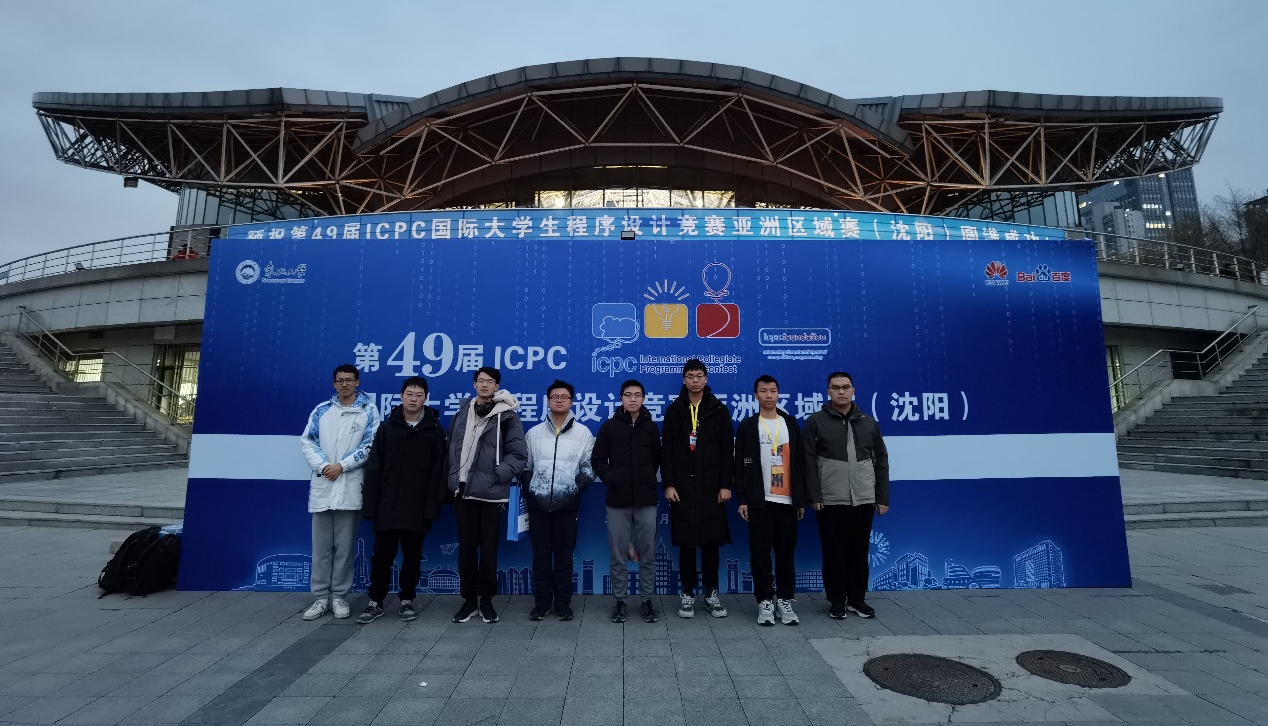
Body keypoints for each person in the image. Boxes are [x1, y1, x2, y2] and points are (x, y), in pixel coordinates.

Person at [356, 377, 448, 625]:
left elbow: (438, 472)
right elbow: (374, 468)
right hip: (387, 505)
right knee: (381, 557)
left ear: (425, 398)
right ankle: (375, 601)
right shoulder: (387, 428)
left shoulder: (434, 430)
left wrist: (432, 506)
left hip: (416, 507)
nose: (413, 399)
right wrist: (371, 505)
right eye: (409, 394)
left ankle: (407, 599)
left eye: (418, 395)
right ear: (401, 396)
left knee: (412, 557)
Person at [803, 371, 890, 620]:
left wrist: (882, 497)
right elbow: (807, 461)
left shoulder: (869, 423)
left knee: (859, 551)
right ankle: (837, 601)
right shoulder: (816, 422)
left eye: (845, 387)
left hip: (863, 498)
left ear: (853, 390)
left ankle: (857, 600)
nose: (841, 391)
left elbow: (881, 461)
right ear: (828, 392)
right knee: (833, 552)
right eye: (835, 387)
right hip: (830, 499)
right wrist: (814, 495)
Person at [446, 366, 528, 624]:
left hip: (491, 494)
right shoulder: (463, 411)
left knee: (489, 550)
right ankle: (469, 600)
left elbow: (519, 454)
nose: (484, 385)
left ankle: (487, 600)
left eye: (489, 382)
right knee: (467, 549)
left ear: (496, 386)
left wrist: (498, 475)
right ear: (474, 385)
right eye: (480, 381)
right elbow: (450, 445)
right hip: (463, 491)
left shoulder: (507, 415)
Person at [299, 363, 379, 621]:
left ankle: (339, 597)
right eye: (340, 380)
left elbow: (370, 444)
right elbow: (308, 441)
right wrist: (325, 466)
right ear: (334, 383)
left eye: (349, 380)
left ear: (357, 382)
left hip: (349, 486)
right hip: (324, 484)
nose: (345, 384)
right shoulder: (322, 410)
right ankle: (320, 598)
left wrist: (342, 466)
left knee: (344, 548)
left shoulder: (368, 410)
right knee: (321, 548)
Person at [661, 359, 733, 619]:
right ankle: (688, 594)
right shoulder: (674, 410)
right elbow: (666, 451)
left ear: (706, 379)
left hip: (712, 488)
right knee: (686, 545)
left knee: (711, 544)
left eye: (699, 375)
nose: (695, 380)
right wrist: (669, 484)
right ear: (684, 380)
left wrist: (726, 485)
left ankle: (711, 594)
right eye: (690, 376)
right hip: (682, 488)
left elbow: (727, 450)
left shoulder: (718, 410)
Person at [522, 380, 595, 621]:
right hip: (538, 506)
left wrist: (573, 489)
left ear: (572, 401)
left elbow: (589, 467)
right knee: (540, 557)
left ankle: (563, 603)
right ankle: (542, 603)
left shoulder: (583, 433)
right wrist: (533, 487)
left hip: (567, 506)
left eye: (565, 397)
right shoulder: (533, 433)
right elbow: (525, 466)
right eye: (555, 397)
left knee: (564, 558)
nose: (559, 400)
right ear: (548, 401)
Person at [735, 374, 804, 626]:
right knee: (760, 554)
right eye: (763, 391)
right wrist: (743, 499)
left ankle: (784, 600)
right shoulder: (747, 426)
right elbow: (739, 466)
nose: (768, 395)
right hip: (759, 501)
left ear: (778, 393)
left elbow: (800, 463)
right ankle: (764, 601)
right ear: (756, 395)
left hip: (787, 500)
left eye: (773, 391)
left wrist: (800, 500)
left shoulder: (790, 424)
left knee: (786, 554)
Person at [592, 379, 661, 624]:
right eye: (628, 395)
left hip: (646, 499)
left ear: (643, 399)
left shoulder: (651, 427)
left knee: (648, 553)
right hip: (617, 500)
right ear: (621, 398)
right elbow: (598, 459)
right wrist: (612, 479)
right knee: (618, 554)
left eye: (637, 395)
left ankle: (646, 600)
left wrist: (645, 478)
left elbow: (656, 459)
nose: (633, 399)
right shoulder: (609, 427)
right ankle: (620, 601)